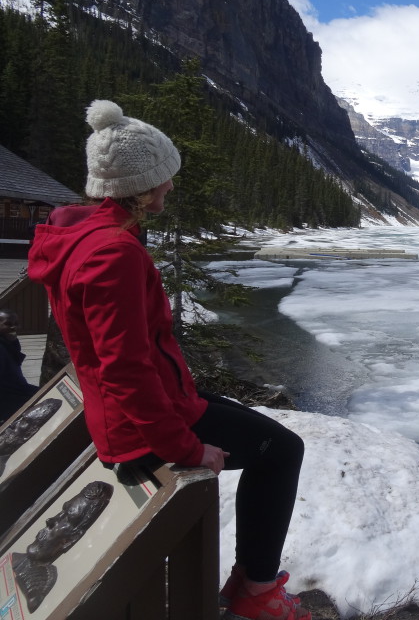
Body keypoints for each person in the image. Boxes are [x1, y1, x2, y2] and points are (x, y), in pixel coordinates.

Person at [27, 100, 309, 620]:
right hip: (138, 429)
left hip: (137, 408)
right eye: (163, 179)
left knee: (273, 441)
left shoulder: (83, 237)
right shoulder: (114, 253)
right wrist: (185, 447)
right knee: (283, 451)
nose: (171, 187)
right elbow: (125, 367)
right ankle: (257, 593)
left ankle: (254, 582)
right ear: (138, 187)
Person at [1, 309, 39, 422]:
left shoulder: (11, 342)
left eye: (16, 324)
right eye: (8, 324)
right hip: (8, 400)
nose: (14, 327)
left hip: (17, 389)